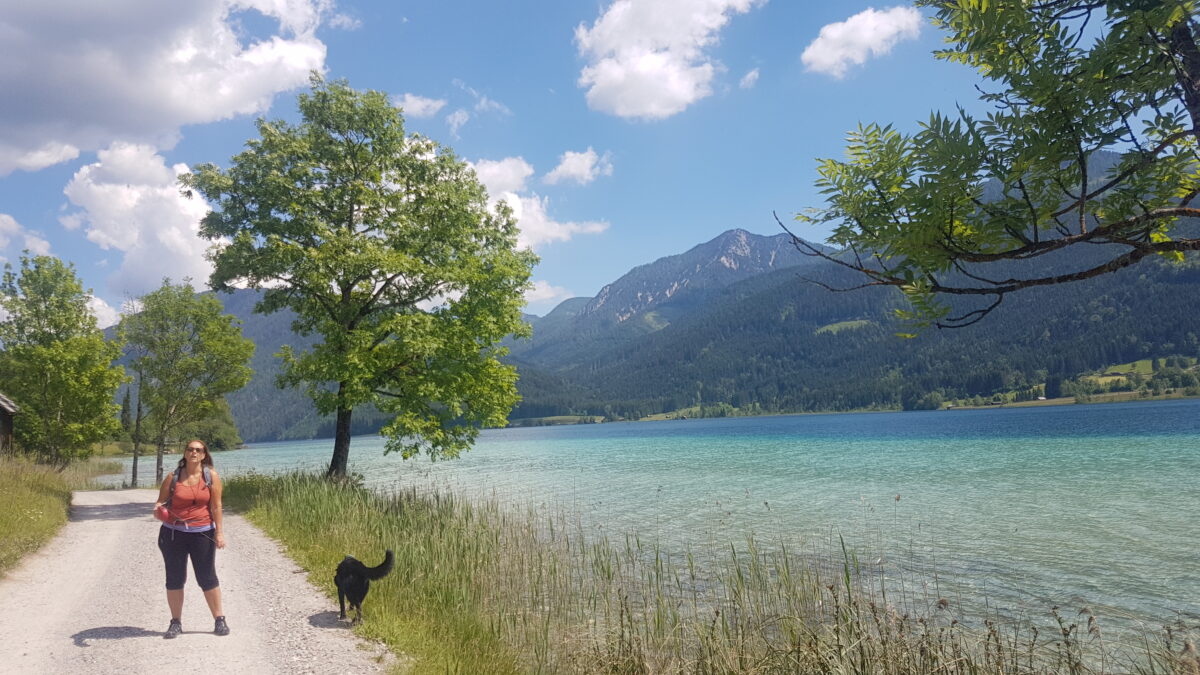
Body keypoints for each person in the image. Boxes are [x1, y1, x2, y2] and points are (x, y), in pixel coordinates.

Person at [153, 439, 229, 638]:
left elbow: (216, 507)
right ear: (185, 453)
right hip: (173, 533)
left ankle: (219, 620)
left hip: (203, 533)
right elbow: (160, 502)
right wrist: (159, 510)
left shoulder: (211, 476)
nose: (194, 453)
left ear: (204, 455)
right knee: (175, 578)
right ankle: (175, 622)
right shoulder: (173, 477)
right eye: (190, 449)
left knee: (207, 577)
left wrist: (219, 533)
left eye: (198, 450)